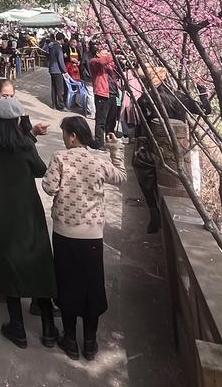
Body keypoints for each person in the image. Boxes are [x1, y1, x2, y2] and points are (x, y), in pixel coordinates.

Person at [0, 95, 57, 350]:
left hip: (0, 208)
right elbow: (40, 169)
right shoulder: (24, 143)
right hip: (27, 208)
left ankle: (17, 327)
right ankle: (48, 328)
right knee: (39, 260)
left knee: (7, 261)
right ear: (16, 120)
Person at [42, 115, 122, 360]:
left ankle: (69, 339)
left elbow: (48, 187)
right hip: (92, 235)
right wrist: (115, 149)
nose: (64, 138)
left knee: (67, 284)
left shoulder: (61, 157)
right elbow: (120, 177)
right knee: (91, 286)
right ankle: (89, 341)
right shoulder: (98, 160)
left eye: (65, 133)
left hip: (65, 232)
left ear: (73, 135)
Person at [133, 66, 210, 234]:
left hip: (152, 148)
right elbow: (206, 110)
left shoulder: (144, 100)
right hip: (177, 150)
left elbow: (140, 127)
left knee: (141, 169)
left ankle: (153, 210)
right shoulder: (179, 97)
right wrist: (202, 91)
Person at [88, 46, 118, 142]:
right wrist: (113, 55)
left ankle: (109, 139)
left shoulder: (109, 65)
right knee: (101, 120)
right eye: (106, 53)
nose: (108, 55)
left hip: (112, 94)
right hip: (102, 94)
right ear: (98, 53)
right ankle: (99, 142)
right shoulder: (94, 62)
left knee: (111, 121)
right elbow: (102, 62)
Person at [45, 34, 67, 111]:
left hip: (52, 69)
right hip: (58, 70)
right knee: (60, 89)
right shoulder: (58, 48)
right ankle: (61, 105)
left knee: (54, 88)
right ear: (61, 39)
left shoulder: (51, 46)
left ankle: (54, 104)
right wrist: (65, 70)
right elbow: (60, 60)